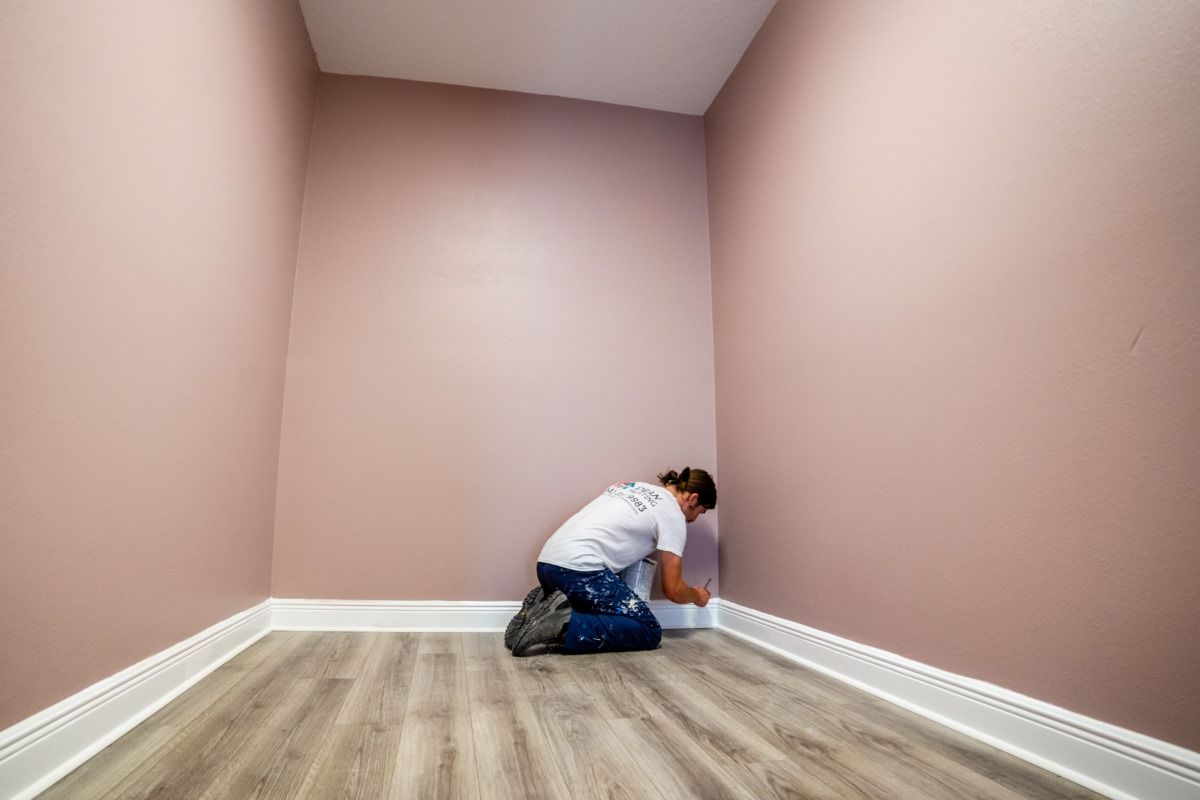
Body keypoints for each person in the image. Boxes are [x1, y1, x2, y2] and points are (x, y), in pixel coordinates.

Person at [506, 467, 716, 657]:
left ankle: (541, 609)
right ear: (693, 499)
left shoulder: (630, 487)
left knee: (603, 611)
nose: (695, 519)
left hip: (547, 566)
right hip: (579, 571)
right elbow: (673, 590)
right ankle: (562, 624)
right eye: (700, 511)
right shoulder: (672, 515)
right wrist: (696, 595)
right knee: (648, 630)